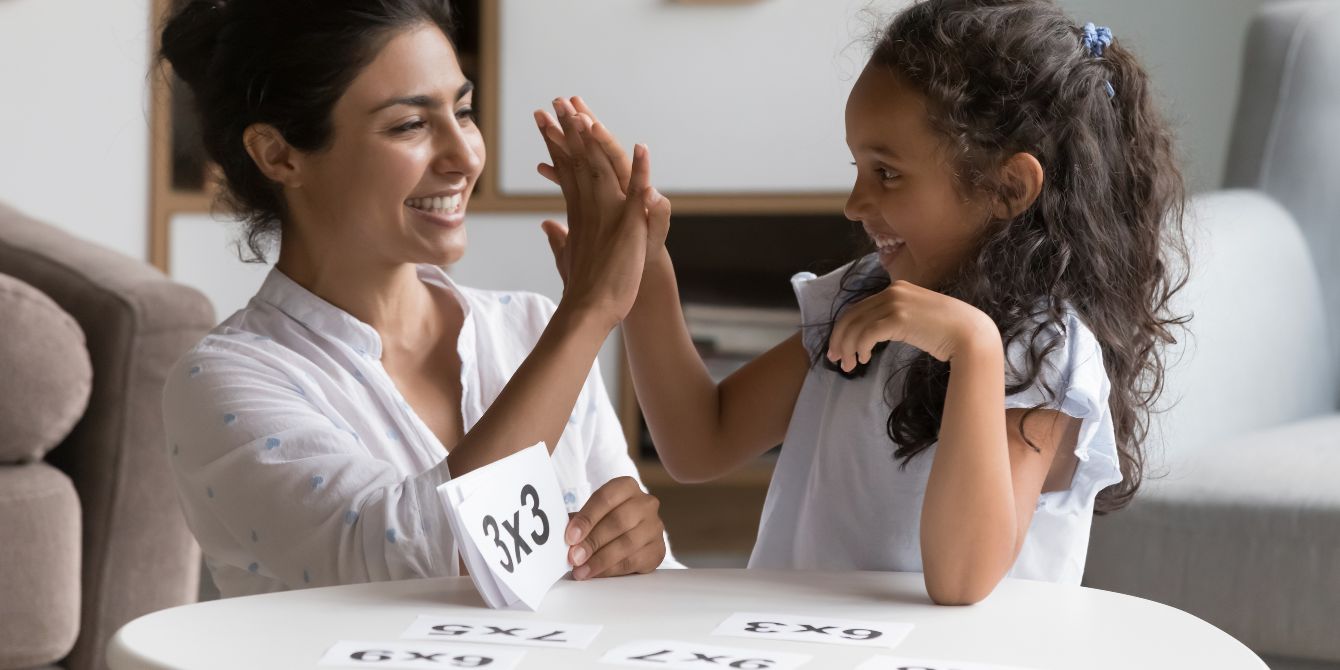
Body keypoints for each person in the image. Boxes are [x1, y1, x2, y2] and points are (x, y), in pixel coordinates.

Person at [537, 0, 1188, 605]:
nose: (855, 203)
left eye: (887, 173)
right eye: (856, 168)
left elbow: (961, 580)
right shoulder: (863, 297)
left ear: (1008, 187)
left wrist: (973, 348)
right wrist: (647, 270)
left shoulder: (1041, 346)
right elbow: (699, 441)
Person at [158, 0, 676, 598]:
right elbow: (423, 555)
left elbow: (635, 588)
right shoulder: (223, 381)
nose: (464, 157)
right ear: (279, 154)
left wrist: (639, 553)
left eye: (463, 111)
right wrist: (587, 314)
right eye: (410, 124)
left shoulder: (533, 328)